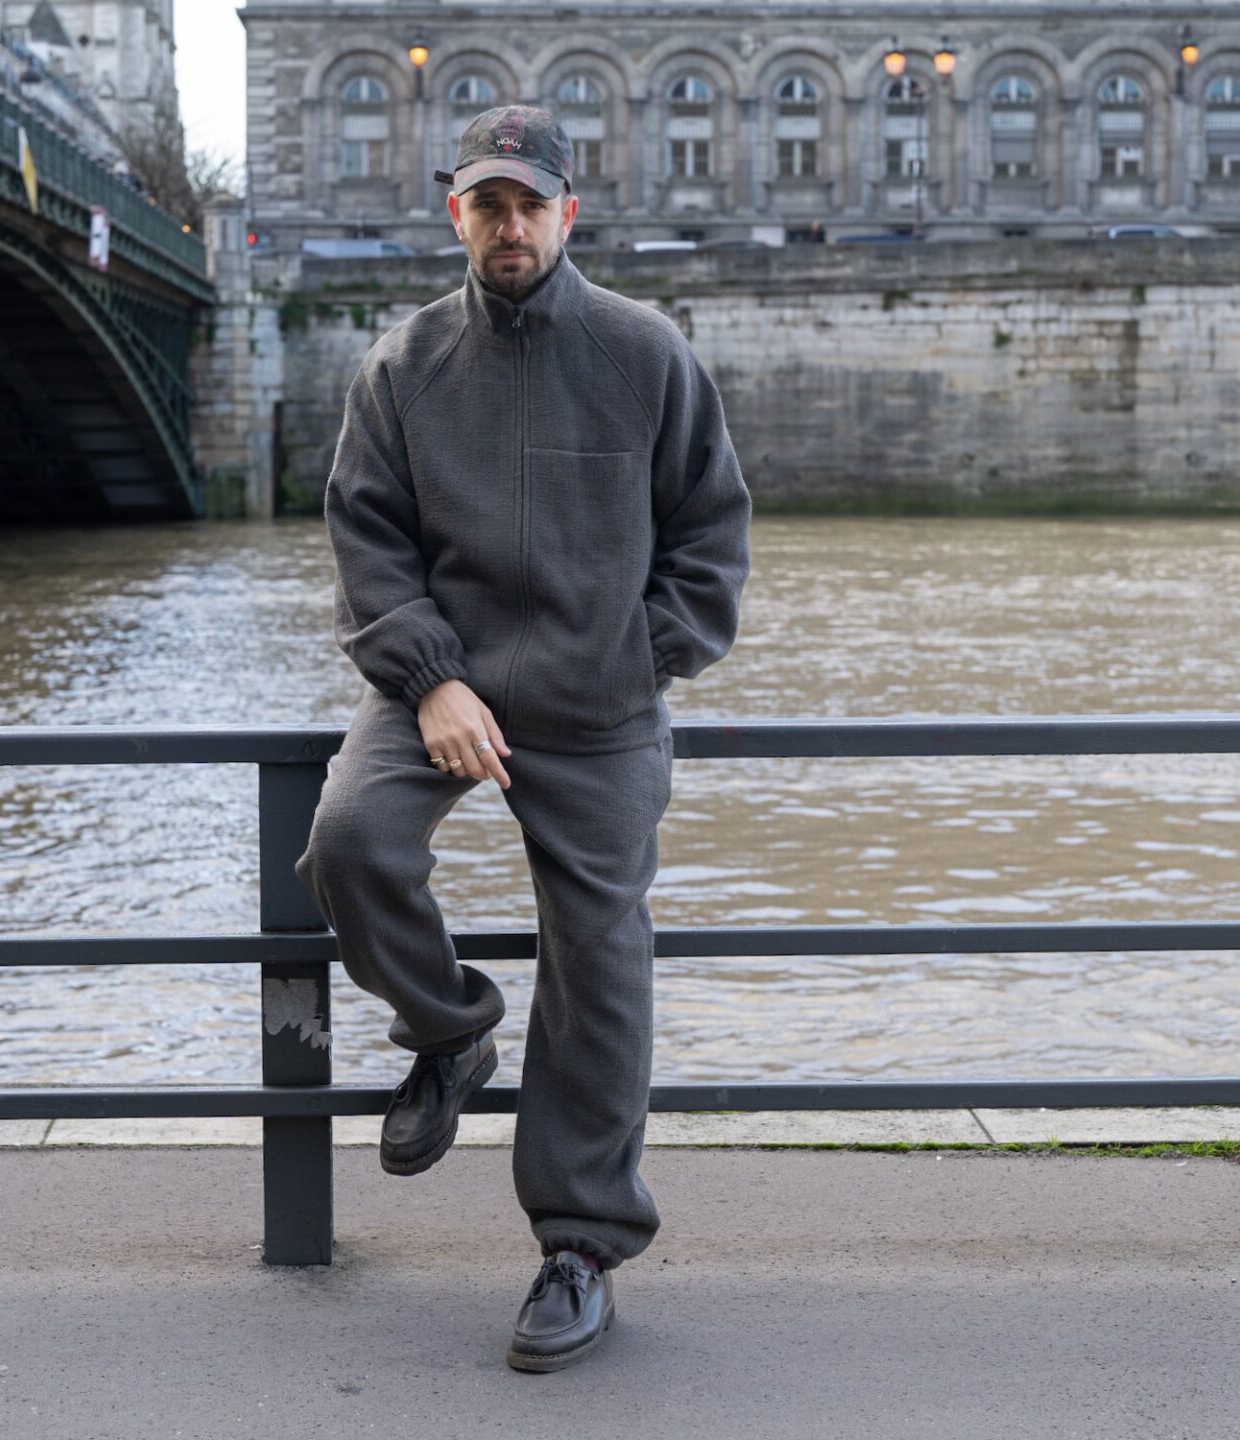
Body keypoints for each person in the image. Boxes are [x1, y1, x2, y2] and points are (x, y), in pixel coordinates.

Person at [295, 104, 751, 1373]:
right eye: (486, 203)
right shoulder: (402, 365)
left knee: (600, 954)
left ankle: (580, 1244)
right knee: (349, 843)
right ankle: (449, 1030)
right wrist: (430, 680)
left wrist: (635, 659)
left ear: (567, 213)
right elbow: (367, 541)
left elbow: (713, 540)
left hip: (598, 702)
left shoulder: (646, 354)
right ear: (456, 212)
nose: (508, 224)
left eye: (528, 203)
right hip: (439, 683)